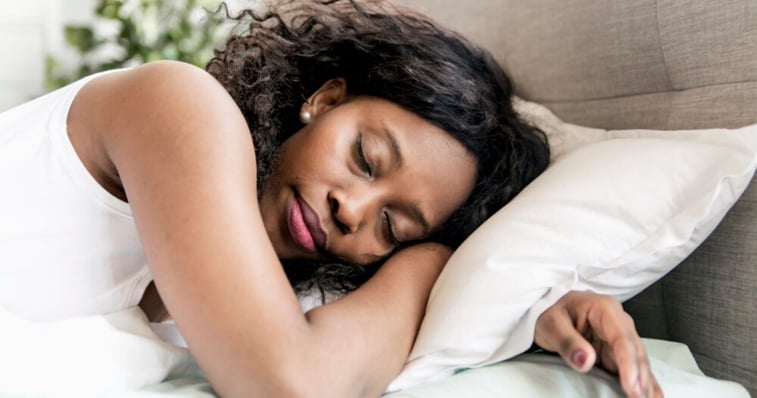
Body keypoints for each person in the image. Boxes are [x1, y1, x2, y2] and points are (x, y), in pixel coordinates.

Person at [0, 0, 661, 397]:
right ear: (325, 100)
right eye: (365, 159)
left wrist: (521, 305)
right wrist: (425, 262)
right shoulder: (181, 107)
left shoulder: (296, 293)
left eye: (394, 227)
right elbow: (291, 386)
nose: (352, 210)